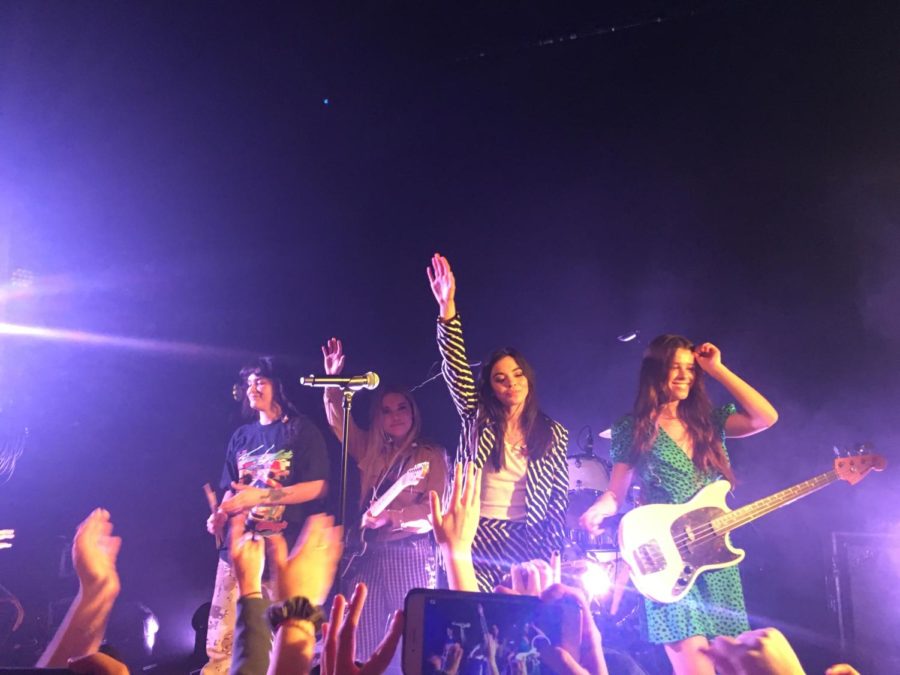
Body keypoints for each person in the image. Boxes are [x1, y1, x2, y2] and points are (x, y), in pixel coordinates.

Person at [580, 335, 779, 675]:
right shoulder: (632, 429)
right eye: (676, 368)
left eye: (690, 369)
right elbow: (617, 492)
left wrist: (717, 369)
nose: (685, 375)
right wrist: (601, 507)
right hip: (668, 563)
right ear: (655, 372)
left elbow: (765, 417)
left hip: (716, 561)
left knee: (733, 668)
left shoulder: (710, 423)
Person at [427, 253, 569, 592]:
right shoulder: (477, 417)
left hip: (527, 534)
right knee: (474, 613)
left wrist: (556, 550)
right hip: (476, 529)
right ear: (489, 385)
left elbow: (558, 498)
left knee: (522, 621)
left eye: (518, 375)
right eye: (500, 378)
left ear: (529, 379)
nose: (511, 384)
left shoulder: (553, 432)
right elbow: (456, 367)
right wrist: (447, 308)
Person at [320, 337, 448, 666]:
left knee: (412, 637)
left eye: (401, 408)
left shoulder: (430, 454)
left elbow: (435, 510)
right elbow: (339, 422)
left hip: (410, 553)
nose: (394, 416)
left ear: (413, 411)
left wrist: (394, 516)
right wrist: (334, 383)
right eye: (386, 410)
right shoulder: (371, 449)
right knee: (361, 635)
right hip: (369, 553)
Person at [203, 356, 329, 675]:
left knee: (277, 644)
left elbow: (317, 486)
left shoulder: (301, 431)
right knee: (221, 648)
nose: (251, 389)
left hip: (279, 552)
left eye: (260, 381)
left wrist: (264, 495)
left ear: (278, 385)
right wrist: (219, 514)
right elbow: (231, 489)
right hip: (237, 551)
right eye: (248, 383)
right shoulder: (241, 436)